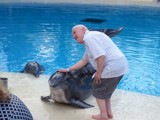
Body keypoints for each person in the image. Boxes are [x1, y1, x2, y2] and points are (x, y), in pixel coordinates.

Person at [59, 24, 128, 120]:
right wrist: (67, 70)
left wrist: (98, 73)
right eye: (72, 34)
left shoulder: (89, 38)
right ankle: (108, 114)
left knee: (97, 87)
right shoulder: (91, 39)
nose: (73, 36)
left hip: (112, 66)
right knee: (105, 92)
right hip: (121, 65)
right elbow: (83, 61)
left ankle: (103, 116)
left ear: (83, 30)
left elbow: (101, 56)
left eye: (75, 32)